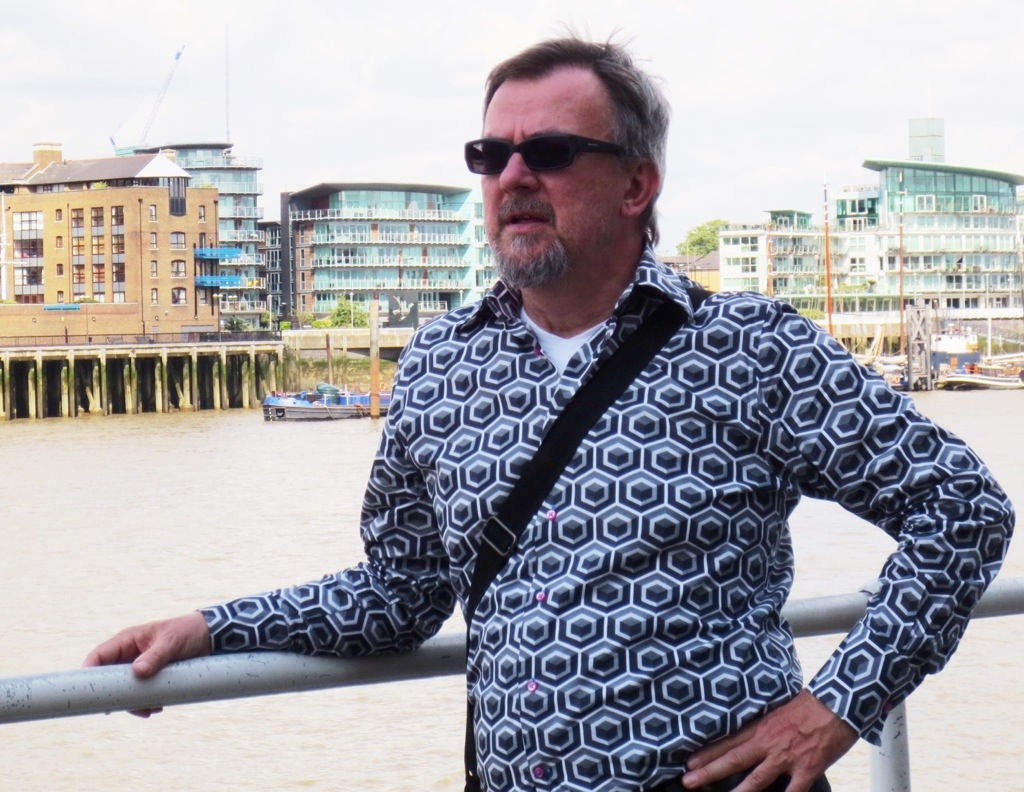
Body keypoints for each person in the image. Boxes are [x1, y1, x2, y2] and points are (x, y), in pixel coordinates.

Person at [86, 36, 1014, 792]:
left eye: (552, 153)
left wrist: (840, 705)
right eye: (491, 155)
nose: (513, 175)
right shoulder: (440, 363)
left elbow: (961, 509)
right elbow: (401, 593)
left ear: (637, 185)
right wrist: (212, 628)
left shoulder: (749, 348)